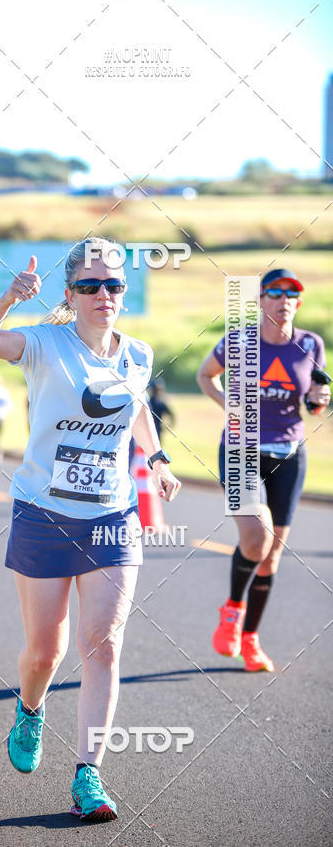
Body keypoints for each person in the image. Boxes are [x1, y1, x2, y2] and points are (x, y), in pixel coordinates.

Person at [0, 238, 180, 823]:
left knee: (104, 644)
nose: (103, 295)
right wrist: (10, 298)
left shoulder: (138, 352)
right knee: (45, 651)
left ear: (123, 292)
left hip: (112, 518)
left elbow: (137, 408)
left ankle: (89, 773)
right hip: (43, 512)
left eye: (113, 285)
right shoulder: (43, 341)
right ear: (70, 293)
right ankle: (30, 710)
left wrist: (157, 457)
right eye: (90, 286)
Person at [197, 268, 330, 672]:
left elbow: (314, 399)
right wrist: (231, 408)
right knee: (257, 537)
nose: (283, 299)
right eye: (274, 292)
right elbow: (206, 375)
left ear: (298, 304)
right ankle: (232, 610)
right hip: (240, 450)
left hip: (289, 454)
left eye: (291, 294)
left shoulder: (311, 344)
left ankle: (250, 639)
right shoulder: (239, 342)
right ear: (260, 302)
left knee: (271, 556)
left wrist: (320, 399)